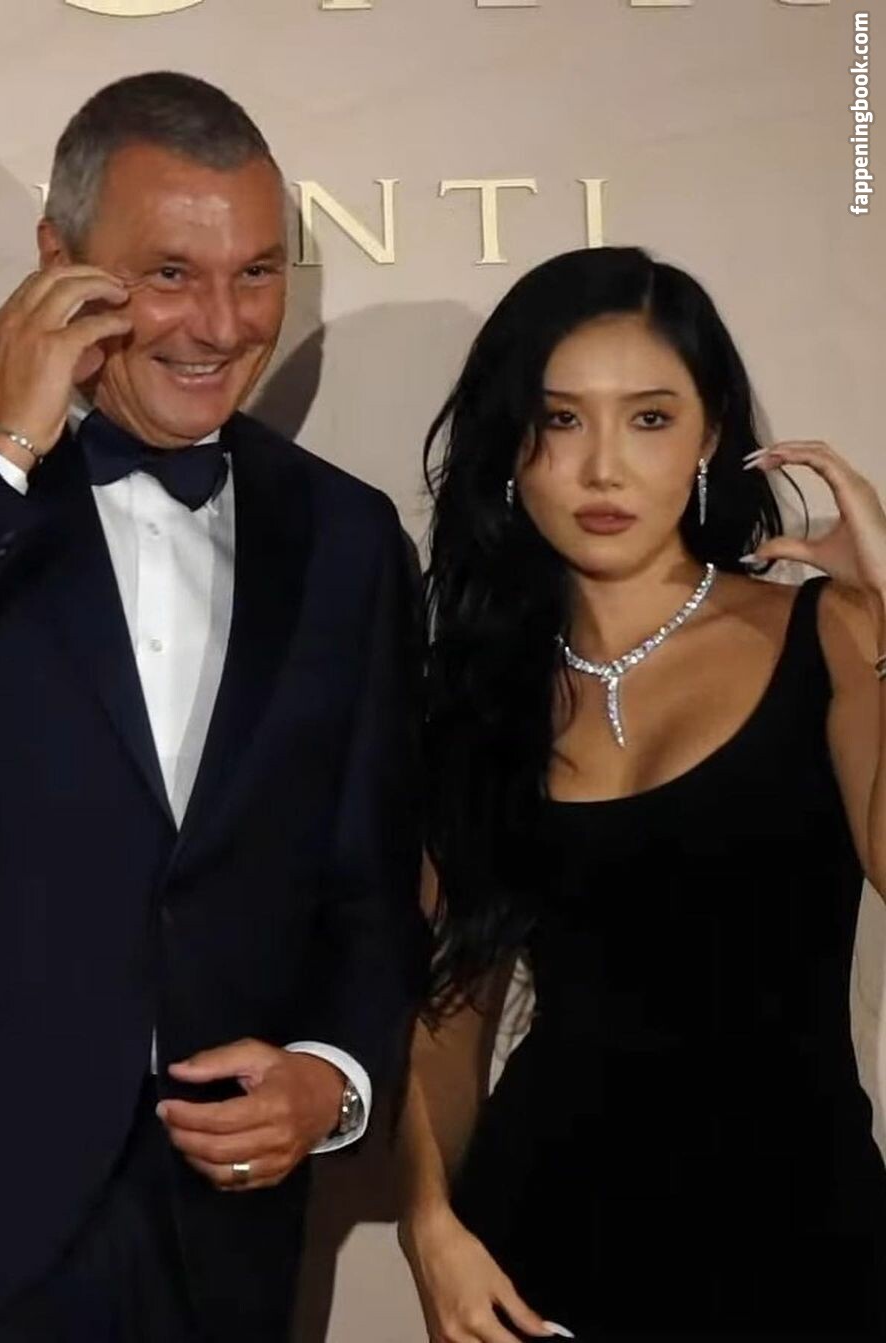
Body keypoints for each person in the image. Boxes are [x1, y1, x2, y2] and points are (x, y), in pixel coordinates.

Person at [0, 72, 425, 1342]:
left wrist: (333, 1078)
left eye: (257, 273)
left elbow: (369, 883)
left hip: (215, 1249)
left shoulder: (347, 536)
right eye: (171, 274)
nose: (223, 324)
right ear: (58, 261)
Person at [396, 246, 886, 1342]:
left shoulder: (832, 633)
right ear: (510, 444)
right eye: (561, 420)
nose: (603, 468)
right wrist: (431, 1226)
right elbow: (446, 1013)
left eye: (651, 419)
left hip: (802, 1243)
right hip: (541, 1249)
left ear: (710, 436)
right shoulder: (473, 695)